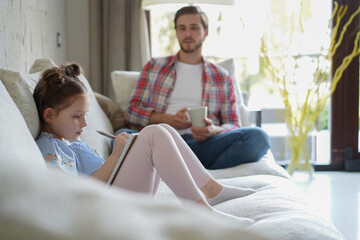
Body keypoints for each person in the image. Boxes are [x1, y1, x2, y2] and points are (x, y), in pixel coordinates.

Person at [33, 62, 255, 227]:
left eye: (85, 115)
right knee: (154, 133)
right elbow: (73, 193)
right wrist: (116, 156)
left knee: (163, 130)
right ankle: (202, 211)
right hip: (109, 211)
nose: (85, 123)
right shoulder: (51, 148)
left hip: (117, 198)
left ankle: (212, 189)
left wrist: (125, 154)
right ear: (50, 115)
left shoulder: (70, 141)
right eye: (77, 116)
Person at [122, 6, 270, 169]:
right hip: (161, 141)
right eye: (182, 28)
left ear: (205, 32)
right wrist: (168, 119)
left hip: (203, 146)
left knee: (258, 138)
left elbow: (234, 124)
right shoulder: (154, 67)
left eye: (194, 28)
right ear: (177, 32)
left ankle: (192, 173)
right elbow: (131, 112)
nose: (187, 34)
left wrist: (213, 130)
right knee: (120, 138)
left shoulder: (222, 76)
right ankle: (196, 171)